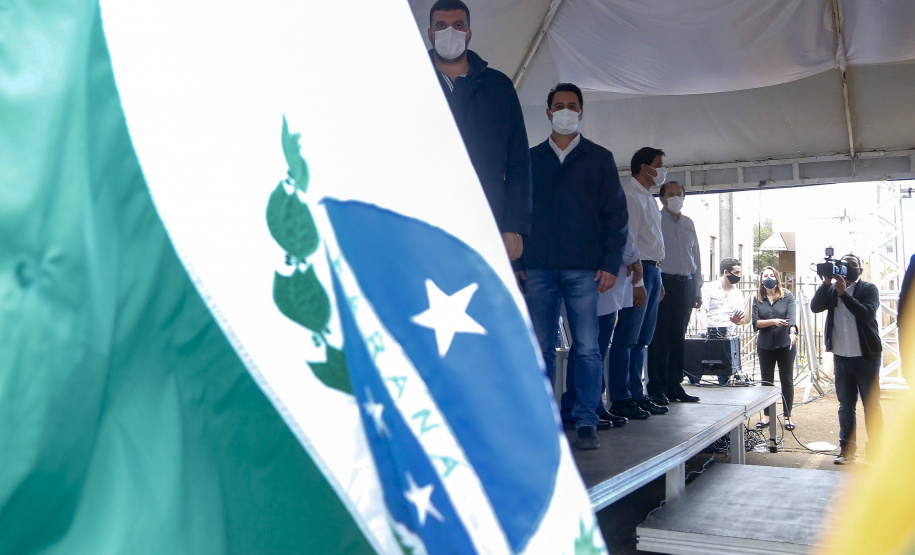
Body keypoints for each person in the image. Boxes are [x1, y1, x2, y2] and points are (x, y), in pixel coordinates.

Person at [517, 83, 629, 450]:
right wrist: (517, 260)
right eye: (559, 106)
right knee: (541, 347)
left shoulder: (600, 158)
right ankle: (543, 418)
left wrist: (611, 263)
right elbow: (515, 212)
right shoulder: (529, 159)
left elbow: (616, 217)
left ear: (581, 113)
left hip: (585, 269)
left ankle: (586, 419)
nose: (566, 111)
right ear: (548, 113)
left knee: (587, 347)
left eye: (572, 106)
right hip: (538, 268)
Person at [427, 0, 531, 262]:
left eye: (458, 25)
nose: (449, 31)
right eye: (441, 25)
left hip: (486, 220)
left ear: (469, 33)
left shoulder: (498, 87)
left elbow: (519, 162)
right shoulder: (407, 81)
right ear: (430, 33)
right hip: (423, 219)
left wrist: (514, 226)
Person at [606, 147, 669, 420]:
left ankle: (636, 394)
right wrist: (638, 281)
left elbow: (651, 241)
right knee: (627, 338)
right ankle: (621, 397)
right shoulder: (631, 196)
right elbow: (628, 242)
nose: (663, 170)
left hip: (652, 270)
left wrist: (658, 277)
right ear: (645, 167)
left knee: (642, 339)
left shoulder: (648, 198)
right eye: (659, 165)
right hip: (638, 271)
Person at [561, 233, 642, 430]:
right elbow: (619, 235)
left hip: (597, 284)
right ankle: (580, 406)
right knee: (588, 350)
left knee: (591, 350)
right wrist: (634, 258)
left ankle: (591, 403)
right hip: (597, 283)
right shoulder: (600, 205)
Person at [810, 254, 883, 465]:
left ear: (860, 270)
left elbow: (867, 314)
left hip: (866, 357)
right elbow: (815, 307)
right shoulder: (832, 289)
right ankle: (847, 451)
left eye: (853, 265)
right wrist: (826, 283)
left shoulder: (868, 289)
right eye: (844, 264)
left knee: (872, 406)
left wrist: (845, 295)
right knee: (846, 405)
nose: (848, 268)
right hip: (842, 357)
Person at [646, 181, 702, 404]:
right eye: (671, 194)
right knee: (660, 336)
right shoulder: (655, 220)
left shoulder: (689, 223)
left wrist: (697, 289)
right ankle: (657, 387)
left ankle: (674, 385)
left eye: (680, 194)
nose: (676, 198)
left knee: (678, 336)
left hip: (685, 283)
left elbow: (696, 257)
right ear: (662, 198)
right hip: (663, 282)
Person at [752, 266, 798, 430]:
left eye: (772, 275)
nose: (769, 278)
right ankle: (767, 416)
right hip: (765, 345)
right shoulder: (757, 298)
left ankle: (788, 417)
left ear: (777, 278)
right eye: (766, 275)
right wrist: (773, 321)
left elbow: (792, 318)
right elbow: (755, 322)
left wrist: (793, 331)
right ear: (761, 279)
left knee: (787, 380)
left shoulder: (787, 296)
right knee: (766, 381)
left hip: (785, 344)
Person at [694, 258, 748, 384]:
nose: (739, 276)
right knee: (697, 369)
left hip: (727, 335)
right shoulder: (709, 288)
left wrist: (737, 321)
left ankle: (724, 381)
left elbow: (742, 319)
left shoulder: (738, 293)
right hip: (709, 334)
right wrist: (704, 330)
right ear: (726, 272)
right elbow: (703, 311)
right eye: (737, 272)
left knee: (724, 372)